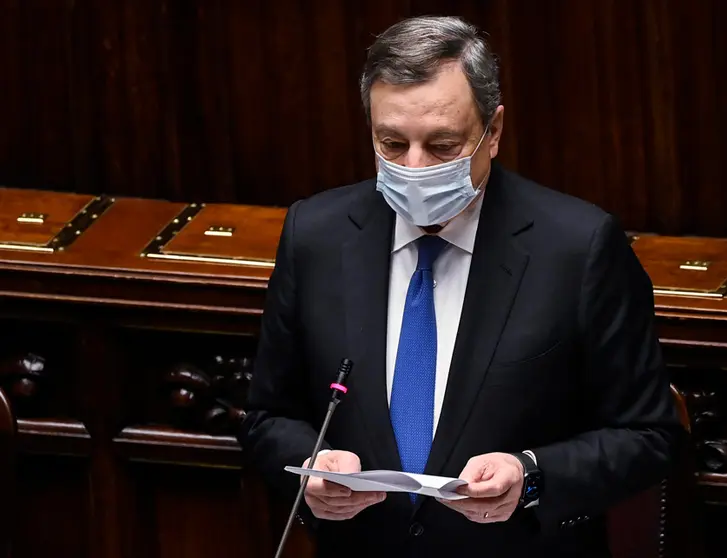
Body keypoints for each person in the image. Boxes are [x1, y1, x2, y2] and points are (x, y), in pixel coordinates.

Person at [238, 15, 682, 558]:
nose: (414, 167)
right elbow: (266, 417)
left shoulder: (578, 248)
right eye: (392, 143)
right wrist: (312, 466)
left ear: (493, 132)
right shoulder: (316, 235)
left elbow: (648, 435)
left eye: (443, 145)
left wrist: (531, 475)